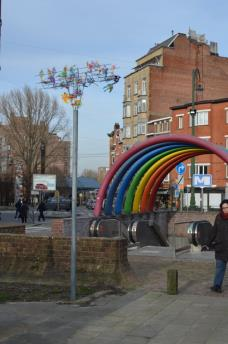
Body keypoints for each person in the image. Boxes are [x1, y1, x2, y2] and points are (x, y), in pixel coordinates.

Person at [204, 199, 228, 293]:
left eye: (227, 207)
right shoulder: (219, 217)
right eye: (223, 208)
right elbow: (214, 231)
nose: (225, 209)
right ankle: (217, 286)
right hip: (220, 247)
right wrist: (207, 243)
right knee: (219, 268)